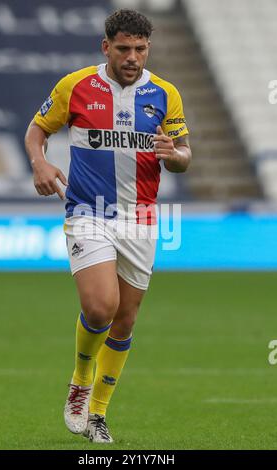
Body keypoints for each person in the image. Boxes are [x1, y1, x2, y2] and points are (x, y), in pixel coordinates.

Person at [25, 9, 191, 444]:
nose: (132, 56)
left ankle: (98, 412)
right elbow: (37, 130)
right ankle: (80, 381)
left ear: (148, 48)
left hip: (141, 218)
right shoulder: (76, 86)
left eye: (140, 48)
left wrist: (174, 154)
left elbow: (184, 157)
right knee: (101, 308)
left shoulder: (165, 93)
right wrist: (40, 163)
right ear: (106, 47)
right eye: (123, 48)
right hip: (89, 212)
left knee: (125, 322)